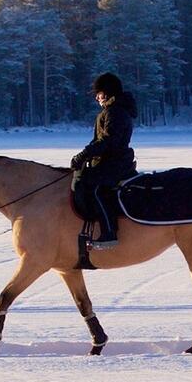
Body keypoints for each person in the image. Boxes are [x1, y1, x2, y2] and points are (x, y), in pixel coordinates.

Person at [70, 72, 138, 249]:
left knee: (96, 190)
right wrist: (84, 156)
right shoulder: (109, 112)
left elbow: (108, 141)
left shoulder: (115, 112)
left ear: (107, 93)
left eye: (98, 94)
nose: (96, 98)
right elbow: (98, 141)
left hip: (115, 163)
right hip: (108, 161)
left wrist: (85, 154)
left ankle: (109, 232)